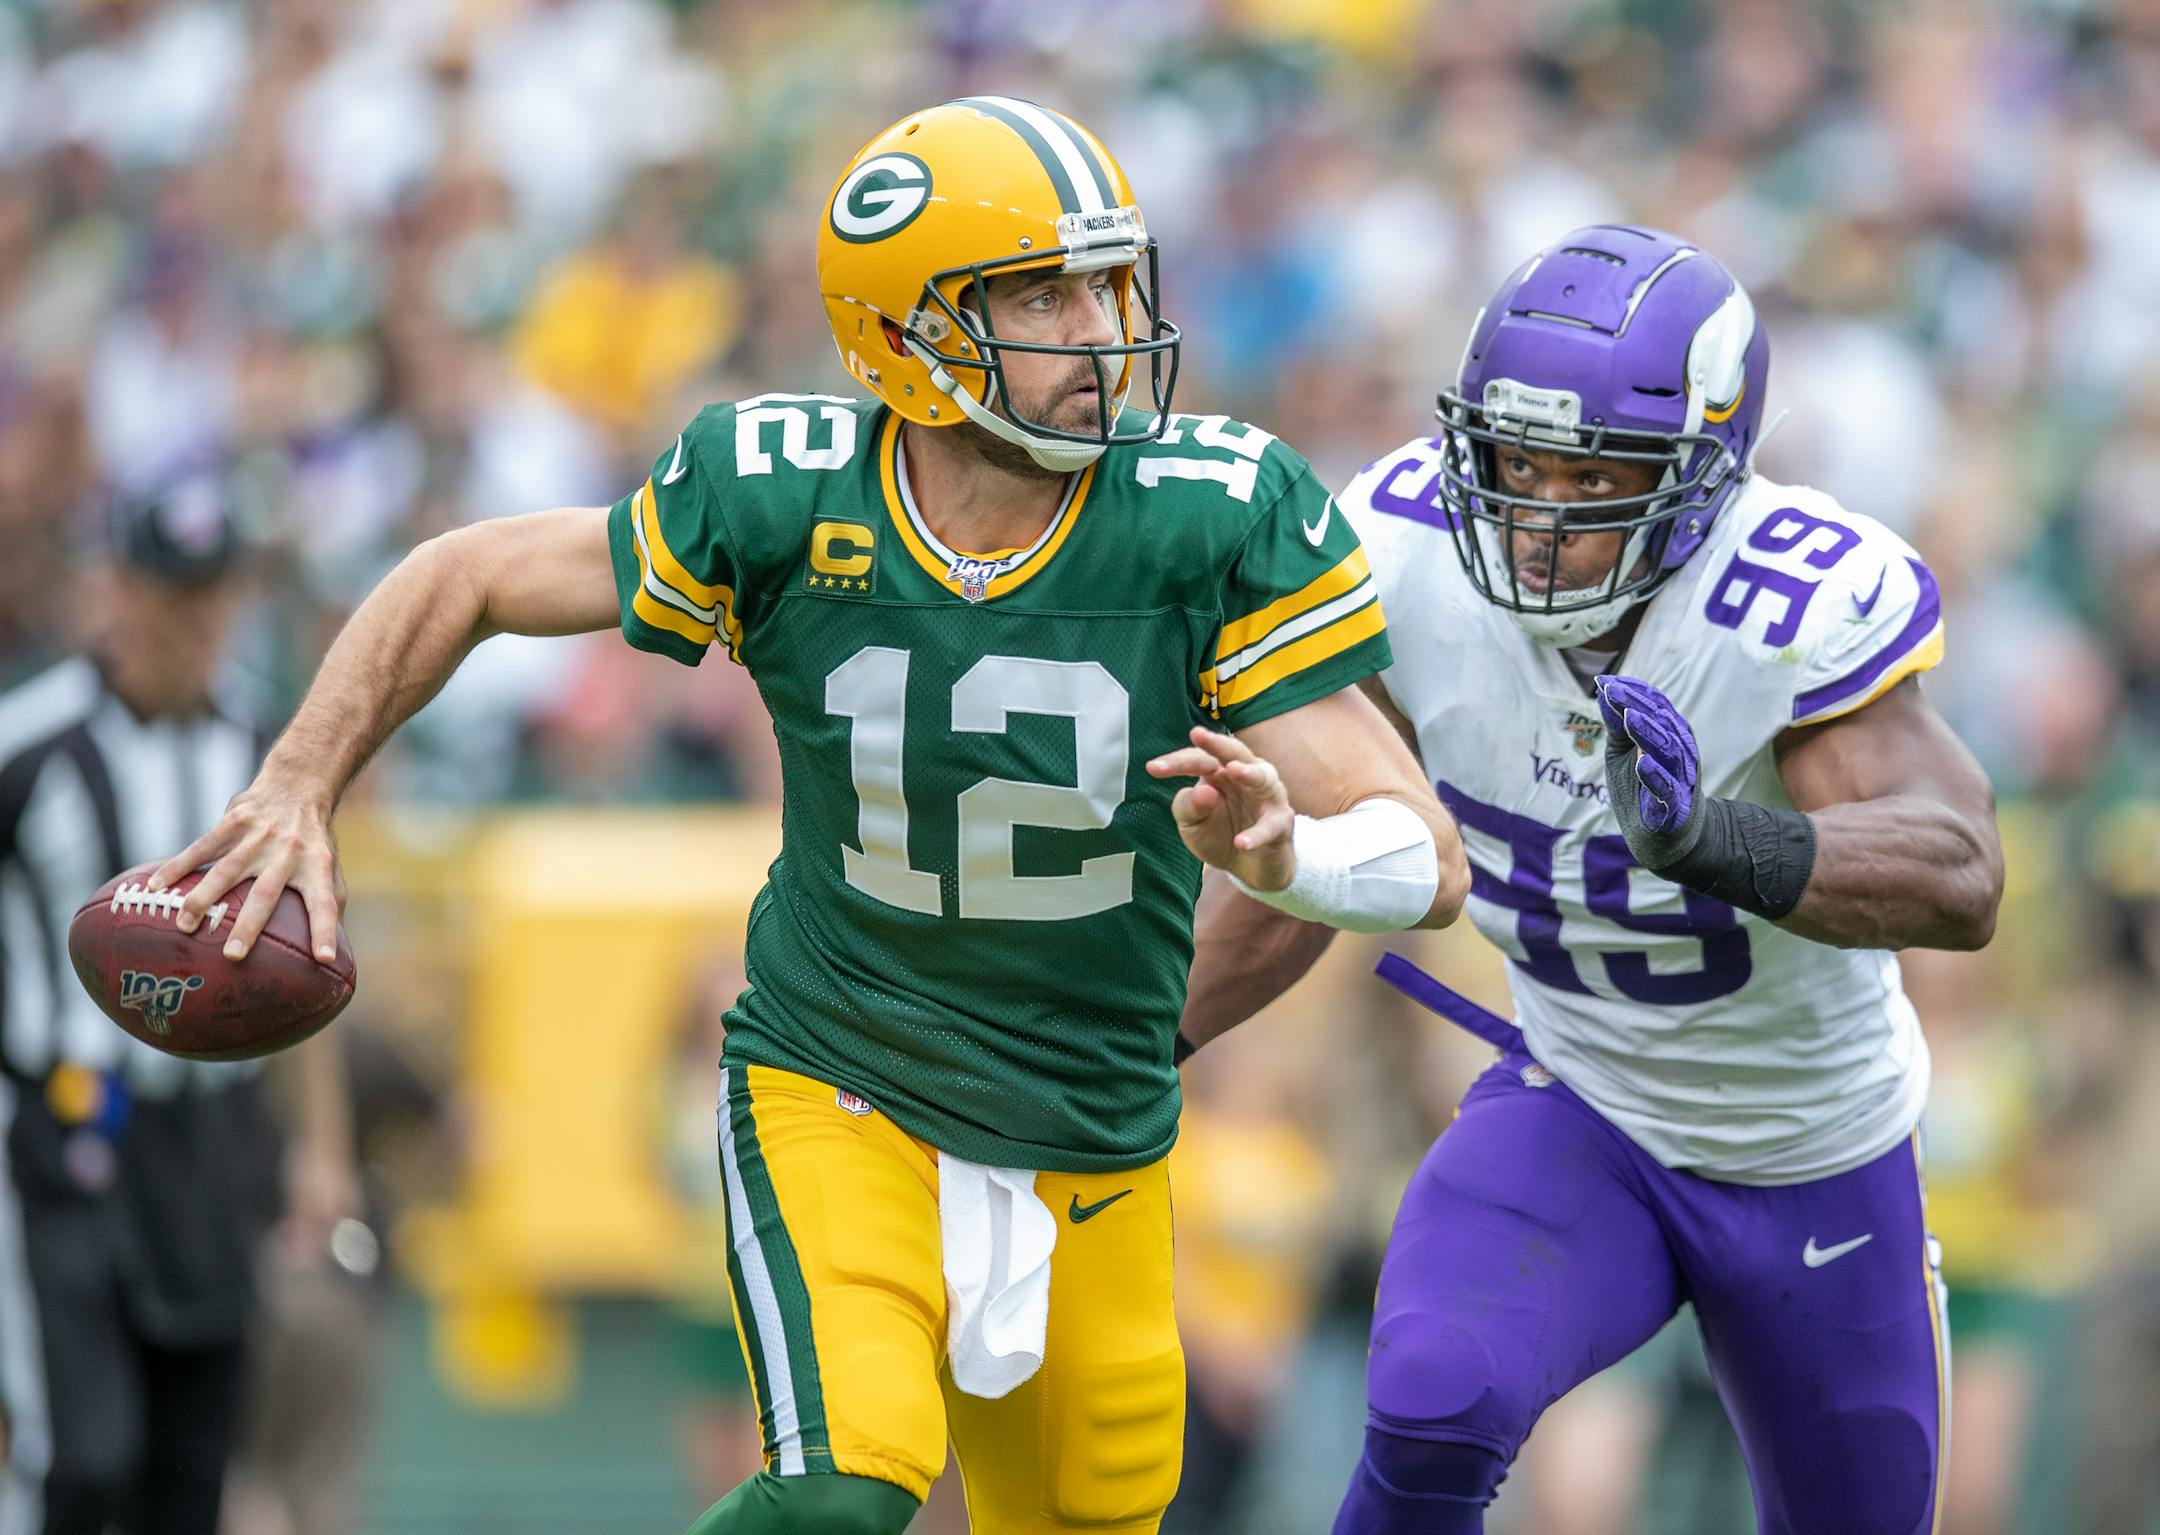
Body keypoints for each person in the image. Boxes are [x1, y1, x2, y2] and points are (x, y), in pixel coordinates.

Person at [150, 98, 1471, 1535]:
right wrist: (297, 778)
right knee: (850, 1480)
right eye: (1042, 292)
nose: (1100, 328)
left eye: (1108, 280)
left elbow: (1425, 855)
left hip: (1097, 1114)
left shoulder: (1213, 511)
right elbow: (467, 572)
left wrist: (1288, 856)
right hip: (842, 1071)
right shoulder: (782, 492)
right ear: (907, 339)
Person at [1181, 224, 2004, 1535]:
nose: (1542, 510)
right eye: (1516, 461)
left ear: (1705, 474)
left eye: (1593, 470)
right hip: (1585, 1102)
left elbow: (1963, 871)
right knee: (1437, 1387)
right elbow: (1328, 856)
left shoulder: (1778, 600)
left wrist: (1714, 843)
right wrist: (1135, 1044)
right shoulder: (1404, 556)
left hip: (1816, 1150)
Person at [0, 470, 356, 1535]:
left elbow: (309, 967)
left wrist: (321, 1149)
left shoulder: (269, 756)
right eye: (173, 589)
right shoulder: (30, 745)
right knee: (81, 1458)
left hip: (215, 1141)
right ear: (120, 587)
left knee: (191, 1469)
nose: (198, 617)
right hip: (60, 1134)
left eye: (216, 590)